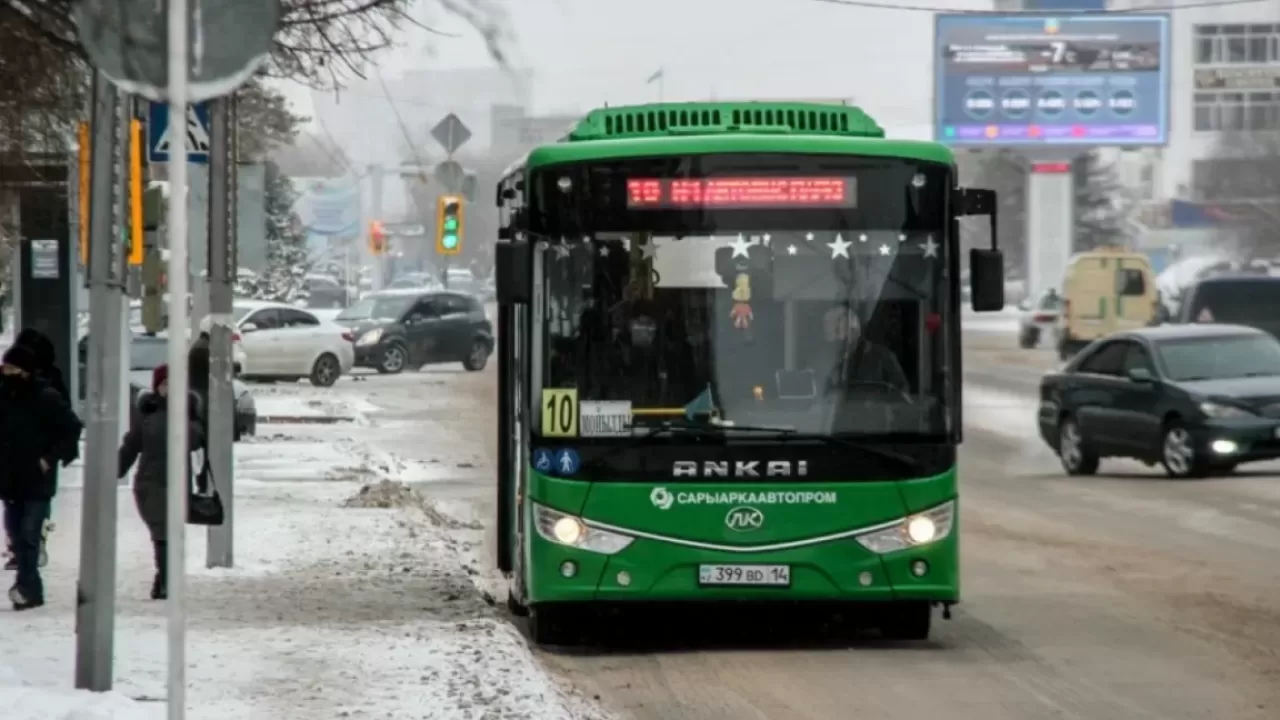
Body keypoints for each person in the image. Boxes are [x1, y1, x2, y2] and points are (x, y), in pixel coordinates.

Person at [0, 344, 84, 610]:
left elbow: (70, 428)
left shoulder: (45, 397)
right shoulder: (4, 396)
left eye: (12, 368)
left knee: (28, 535)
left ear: (25, 371)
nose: (6, 372)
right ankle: (30, 588)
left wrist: (49, 459)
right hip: (10, 479)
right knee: (16, 535)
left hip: (37, 480)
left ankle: (26, 588)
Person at [118, 364, 204, 600]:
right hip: (150, 484)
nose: (170, 388)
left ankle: (163, 580)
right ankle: (167, 581)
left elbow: (195, 441)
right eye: (165, 383)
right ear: (157, 387)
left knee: (171, 533)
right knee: (162, 532)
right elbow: (130, 447)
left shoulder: (190, 413)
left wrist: (182, 413)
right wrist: (111, 471)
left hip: (178, 484)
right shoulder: (146, 415)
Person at [3, 328, 74, 571]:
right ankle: (24, 556)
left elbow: (66, 422)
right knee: (16, 517)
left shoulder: (47, 388)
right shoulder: (6, 389)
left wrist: (50, 456)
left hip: (38, 462)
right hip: (14, 465)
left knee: (32, 515)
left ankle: (30, 560)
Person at [822, 305, 909, 391]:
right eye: (830, 334)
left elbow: (902, 393)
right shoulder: (832, 364)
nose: (834, 339)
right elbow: (826, 396)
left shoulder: (882, 357)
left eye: (836, 331)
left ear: (853, 330)